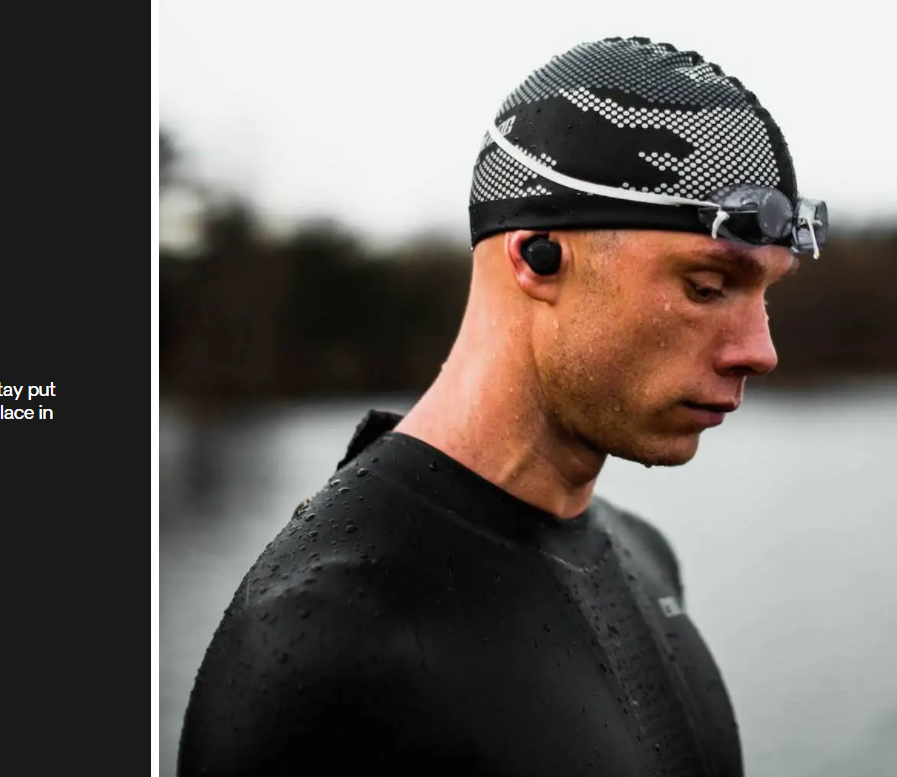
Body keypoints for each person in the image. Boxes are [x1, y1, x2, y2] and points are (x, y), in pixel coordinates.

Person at [177, 37, 827, 776]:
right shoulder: (330, 632)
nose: (760, 350)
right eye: (707, 287)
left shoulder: (644, 555)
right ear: (536, 257)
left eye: (764, 295)